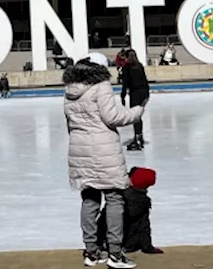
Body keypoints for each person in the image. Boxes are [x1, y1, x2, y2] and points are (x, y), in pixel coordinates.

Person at [64, 53, 145, 269]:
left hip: (79, 148)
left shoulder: (70, 89)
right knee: (114, 197)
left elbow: (69, 123)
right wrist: (137, 112)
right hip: (103, 149)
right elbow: (113, 117)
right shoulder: (101, 85)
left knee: (89, 198)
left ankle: (91, 252)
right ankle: (115, 254)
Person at [95, 167, 163, 257]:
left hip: (107, 240)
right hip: (129, 245)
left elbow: (103, 220)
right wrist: (148, 247)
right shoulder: (144, 202)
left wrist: (98, 240)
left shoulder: (117, 198)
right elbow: (144, 226)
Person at [119, 49, 150, 151]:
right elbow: (145, 80)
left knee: (136, 117)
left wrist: (122, 96)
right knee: (139, 115)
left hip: (135, 93)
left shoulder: (127, 67)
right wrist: (147, 94)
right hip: (143, 92)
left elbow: (125, 83)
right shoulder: (139, 65)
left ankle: (137, 137)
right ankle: (139, 136)